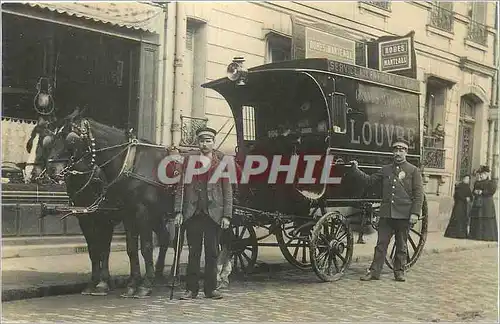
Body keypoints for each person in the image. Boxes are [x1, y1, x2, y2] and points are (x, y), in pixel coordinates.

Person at [349, 137, 424, 282]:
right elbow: (369, 181)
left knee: (401, 245)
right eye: (395, 150)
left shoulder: (413, 171)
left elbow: (418, 194)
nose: (398, 153)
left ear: (406, 152)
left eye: (401, 150)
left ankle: (399, 271)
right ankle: (374, 272)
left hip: (404, 214)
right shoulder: (386, 170)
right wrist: (355, 169)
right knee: (381, 244)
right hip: (387, 213)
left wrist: (415, 213)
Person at [174, 127, 233, 300]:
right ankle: (191, 290)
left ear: (213, 143)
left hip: (213, 215)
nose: (205, 144)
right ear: (198, 143)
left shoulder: (221, 163)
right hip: (193, 214)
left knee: (212, 252)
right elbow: (181, 188)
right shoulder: (189, 162)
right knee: (193, 252)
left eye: (208, 141)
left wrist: (226, 215)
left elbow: (227, 191)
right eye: (202, 141)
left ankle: (211, 289)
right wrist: (178, 211)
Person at [468, 165, 498, 242]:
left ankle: (486, 236)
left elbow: (491, 191)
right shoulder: (477, 182)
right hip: (478, 202)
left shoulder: (491, 182)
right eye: (480, 174)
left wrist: (482, 192)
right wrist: (475, 192)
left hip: (487, 203)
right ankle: (475, 235)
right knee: (477, 217)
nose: (481, 175)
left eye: (482, 174)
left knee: (486, 217)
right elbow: (473, 191)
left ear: (487, 174)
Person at [444, 175, 473, 239]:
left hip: (464, 206)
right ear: (463, 179)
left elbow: (470, 196)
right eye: (466, 178)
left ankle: (461, 234)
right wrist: (465, 198)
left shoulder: (468, 187)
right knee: (456, 218)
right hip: (459, 205)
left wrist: (469, 198)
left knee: (463, 219)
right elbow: (457, 195)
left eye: (468, 179)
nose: (467, 180)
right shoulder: (459, 186)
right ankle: (453, 234)